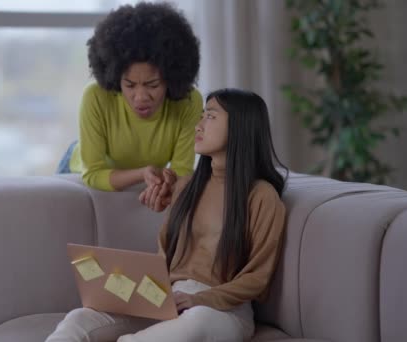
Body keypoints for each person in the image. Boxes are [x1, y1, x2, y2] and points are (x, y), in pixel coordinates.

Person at [45, 88, 288, 342]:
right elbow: (163, 257)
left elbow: (258, 278)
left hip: (221, 310)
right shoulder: (186, 187)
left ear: (241, 126)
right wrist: (132, 289)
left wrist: (197, 299)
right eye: (201, 115)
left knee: (196, 322)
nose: (199, 125)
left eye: (211, 117)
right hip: (169, 298)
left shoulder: (262, 196)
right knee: (79, 319)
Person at [56, 2, 202, 192]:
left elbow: (181, 172)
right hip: (79, 170)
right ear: (116, 78)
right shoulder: (95, 96)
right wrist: (142, 173)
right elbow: (93, 173)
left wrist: (162, 183)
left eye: (153, 85)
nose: (140, 97)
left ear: (171, 78)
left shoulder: (189, 102)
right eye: (130, 85)